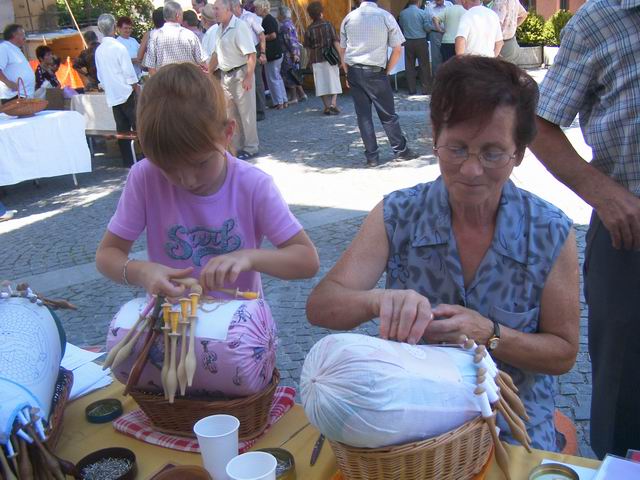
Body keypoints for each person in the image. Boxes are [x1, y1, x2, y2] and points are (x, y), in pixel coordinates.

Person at [307, 56, 580, 452]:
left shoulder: (549, 231)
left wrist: (490, 334)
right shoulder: (399, 214)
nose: (471, 170)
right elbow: (321, 306)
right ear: (434, 135)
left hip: (511, 428)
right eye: (457, 148)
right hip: (415, 430)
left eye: (492, 153)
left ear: (519, 153)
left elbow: (563, 353)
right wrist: (377, 301)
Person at [95, 63, 319, 301]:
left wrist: (249, 257)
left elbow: (307, 260)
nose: (187, 180)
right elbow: (108, 254)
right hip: (172, 319)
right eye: (168, 168)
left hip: (237, 319)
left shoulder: (253, 185)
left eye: (201, 163)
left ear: (227, 133)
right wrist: (142, 272)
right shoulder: (145, 177)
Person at [530, 0, 640, 459]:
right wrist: (603, 193)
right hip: (630, 234)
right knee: (626, 394)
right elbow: (537, 123)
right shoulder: (601, 19)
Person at [340, 0, 416, 167]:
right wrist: (387, 70)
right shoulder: (385, 16)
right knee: (388, 114)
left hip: (354, 70)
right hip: (376, 71)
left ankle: (372, 156)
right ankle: (400, 150)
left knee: (363, 116)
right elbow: (397, 49)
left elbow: (343, 49)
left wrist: (346, 72)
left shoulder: (349, 18)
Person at [209, 0, 259, 160]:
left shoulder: (239, 26)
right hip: (226, 75)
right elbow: (216, 54)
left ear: (228, 9)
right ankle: (236, 148)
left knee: (246, 113)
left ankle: (251, 147)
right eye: (214, 9)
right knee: (230, 114)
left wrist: (248, 77)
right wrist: (208, 72)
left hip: (240, 73)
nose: (214, 12)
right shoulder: (220, 28)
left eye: (217, 9)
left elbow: (251, 54)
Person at [95, 14, 140, 168]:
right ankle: (147, 158)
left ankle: (128, 161)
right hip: (126, 92)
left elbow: (100, 76)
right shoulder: (118, 47)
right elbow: (129, 73)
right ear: (115, 27)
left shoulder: (99, 50)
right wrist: (136, 88)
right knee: (138, 126)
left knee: (122, 129)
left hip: (113, 94)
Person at [143, 1, 205, 75]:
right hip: (187, 79)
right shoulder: (190, 35)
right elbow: (202, 61)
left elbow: (151, 67)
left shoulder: (155, 37)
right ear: (177, 15)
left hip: (164, 79)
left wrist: (158, 81)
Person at [231, 0, 268, 122]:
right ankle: (249, 110)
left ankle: (260, 110)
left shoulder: (250, 17)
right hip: (239, 52)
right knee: (243, 81)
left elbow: (261, 35)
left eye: (231, 8)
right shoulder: (231, 19)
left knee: (257, 81)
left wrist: (262, 53)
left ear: (237, 6)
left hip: (253, 49)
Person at [303, 1, 342, 115]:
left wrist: (308, 62)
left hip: (316, 58)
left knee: (321, 83)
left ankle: (327, 107)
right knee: (334, 80)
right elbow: (336, 42)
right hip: (330, 57)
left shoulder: (309, 29)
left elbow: (307, 48)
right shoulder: (328, 25)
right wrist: (341, 57)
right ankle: (333, 104)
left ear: (310, 15)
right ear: (321, 12)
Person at [254, 0, 288, 110]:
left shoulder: (267, 19)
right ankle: (283, 100)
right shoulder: (269, 19)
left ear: (262, 8)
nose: (255, 10)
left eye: (257, 8)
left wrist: (261, 38)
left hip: (273, 53)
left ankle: (279, 102)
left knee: (273, 78)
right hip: (276, 52)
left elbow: (273, 35)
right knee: (277, 77)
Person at [398, 0, 432, 95]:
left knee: (409, 66)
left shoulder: (402, 13)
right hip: (421, 41)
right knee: (424, 66)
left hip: (408, 41)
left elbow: (401, 26)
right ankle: (425, 89)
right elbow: (427, 28)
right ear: (418, 2)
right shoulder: (422, 13)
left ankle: (411, 89)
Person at [278, 6, 307, 104]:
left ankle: (294, 97)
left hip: (288, 54)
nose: (277, 16)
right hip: (293, 53)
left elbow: (290, 41)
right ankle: (302, 94)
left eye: (278, 14)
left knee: (289, 74)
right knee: (294, 74)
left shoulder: (284, 26)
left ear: (282, 15)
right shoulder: (290, 24)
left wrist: (294, 53)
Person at [1, 24, 35, 103]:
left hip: (24, 95)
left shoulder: (16, 49)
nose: (25, 37)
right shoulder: (4, 48)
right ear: (14, 35)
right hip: (14, 96)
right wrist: (9, 83)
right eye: (22, 34)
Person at [424, 0, 451, 76]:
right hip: (435, 34)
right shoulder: (429, 7)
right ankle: (437, 79)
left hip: (448, 34)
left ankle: (449, 79)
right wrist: (436, 28)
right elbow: (426, 25)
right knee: (436, 59)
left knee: (449, 58)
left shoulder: (449, 5)